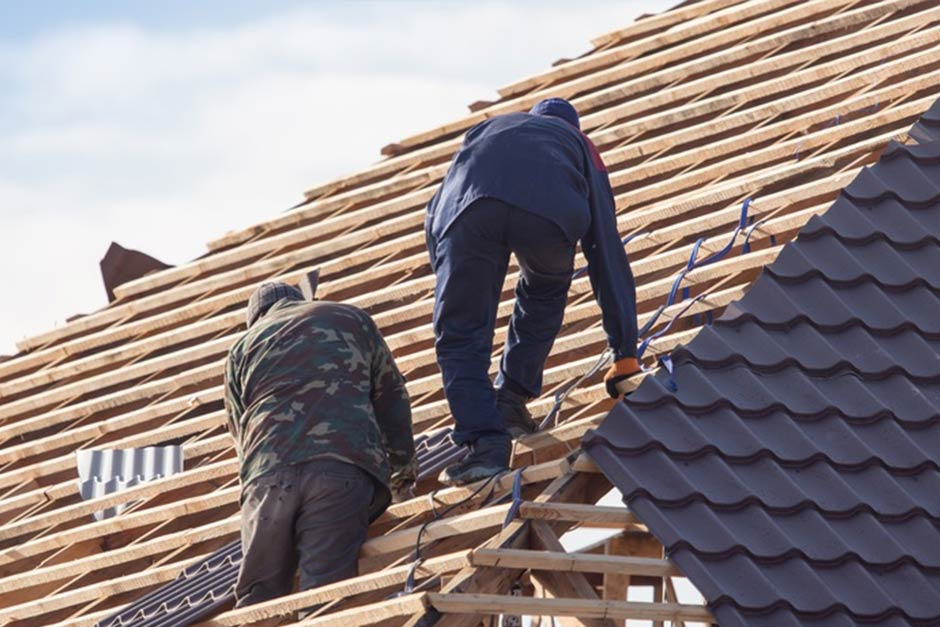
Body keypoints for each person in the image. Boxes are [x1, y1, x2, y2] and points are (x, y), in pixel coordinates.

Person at [425, 97, 640, 486]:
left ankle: (486, 445)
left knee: (460, 335)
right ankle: (510, 400)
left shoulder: (489, 129)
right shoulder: (578, 144)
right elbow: (605, 248)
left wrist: (453, 288)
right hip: (549, 213)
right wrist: (624, 351)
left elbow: (437, 210)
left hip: (468, 212)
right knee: (544, 289)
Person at [224, 282, 416, 607]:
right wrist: (402, 476)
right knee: (324, 599)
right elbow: (391, 399)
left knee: (259, 602)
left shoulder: (242, 347)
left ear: (256, 317)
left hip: (266, 477)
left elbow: (239, 430)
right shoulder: (350, 318)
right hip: (341, 466)